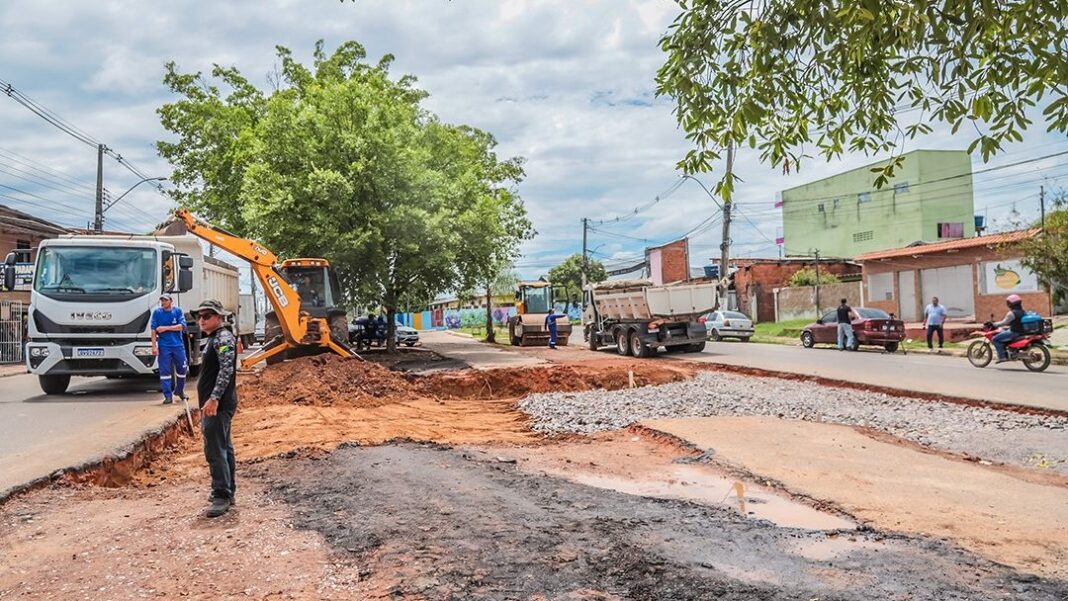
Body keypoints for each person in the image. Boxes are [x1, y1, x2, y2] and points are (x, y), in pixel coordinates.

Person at [195, 299, 238, 518]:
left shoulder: (222, 338)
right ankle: (227, 491)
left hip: (218, 405)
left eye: (207, 316)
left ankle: (221, 494)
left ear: (219, 318)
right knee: (224, 447)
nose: (201, 320)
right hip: (217, 402)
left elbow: (226, 370)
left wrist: (213, 399)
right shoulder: (214, 338)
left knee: (215, 449)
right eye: (199, 316)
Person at [150, 293, 188, 405]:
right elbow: (153, 330)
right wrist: (154, 346)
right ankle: (167, 396)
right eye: (162, 300)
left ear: (171, 301)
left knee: (182, 369)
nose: (163, 303)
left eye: (165, 300)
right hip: (164, 346)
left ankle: (179, 390)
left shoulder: (178, 311)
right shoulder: (157, 313)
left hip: (178, 346)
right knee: (165, 371)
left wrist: (165, 328)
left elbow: (182, 326)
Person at [990, 294, 1026, 364]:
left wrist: (994, 324)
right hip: (1022, 332)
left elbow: (1004, 322)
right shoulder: (1023, 312)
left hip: (1014, 332)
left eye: (1008, 303)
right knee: (1004, 332)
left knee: (995, 339)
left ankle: (1002, 357)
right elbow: (1016, 322)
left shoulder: (1011, 313)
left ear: (1011, 304)